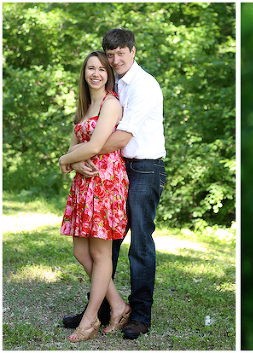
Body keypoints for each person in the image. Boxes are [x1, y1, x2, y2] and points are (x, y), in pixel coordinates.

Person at [64, 28, 166, 340]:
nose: (115, 59)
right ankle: (109, 306)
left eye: (121, 53)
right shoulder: (115, 82)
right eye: (111, 55)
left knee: (140, 244)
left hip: (145, 168)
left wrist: (73, 157)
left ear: (133, 51)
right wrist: (79, 157)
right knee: (107, 245)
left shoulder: (144, 86)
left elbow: (119, 138)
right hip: (118, 168)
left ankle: (140, 315)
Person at [59, 50, 132, 342]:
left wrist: (67, 158)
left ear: (108, 74)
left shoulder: (110, 103)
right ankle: (118, 305)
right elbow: (76, 146)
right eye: (91, 68)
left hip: (104, 183)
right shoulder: (84, 106)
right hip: (83, 184)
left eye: (102, 69)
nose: (96, 73)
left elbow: (96, 144)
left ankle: (90, 320)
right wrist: (71, 160)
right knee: (81, 252)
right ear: (84, 73)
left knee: (101, 254)